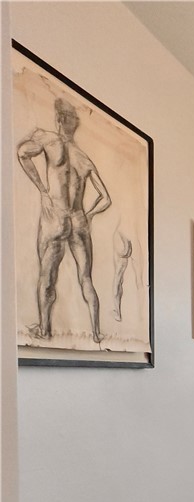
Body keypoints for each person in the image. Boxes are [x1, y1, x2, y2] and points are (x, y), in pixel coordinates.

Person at [17, 97, 110, 343]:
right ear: (73, 123)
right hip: (78, 221)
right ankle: (96, 333)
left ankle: (45, 330)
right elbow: (106, 198)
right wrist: (89, 214)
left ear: (59, 119)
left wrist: (42, 189)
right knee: (86, 278)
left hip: (55, 218)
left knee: (47, 277)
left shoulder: (49, 140)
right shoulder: (83, 157)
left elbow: (22, 153)